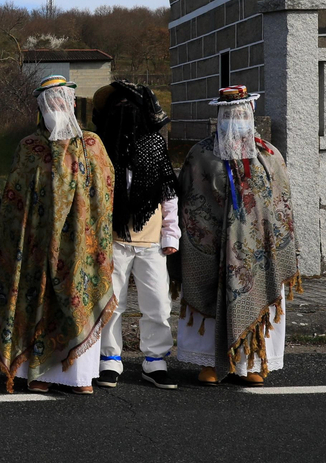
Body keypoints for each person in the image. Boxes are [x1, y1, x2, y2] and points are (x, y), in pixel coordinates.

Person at [0, 75, 115, 395]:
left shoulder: (91, 144)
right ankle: (36, 372)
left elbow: (105, 195)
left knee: (76, 300)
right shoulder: (30, 147)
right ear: (41, 107)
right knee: (36, 300)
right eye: (48, 102)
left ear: (70, 103)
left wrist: (91, 231)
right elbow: (15, 197)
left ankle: (78, 375)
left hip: (80, 243)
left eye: (60, 100)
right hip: (37, 244)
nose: (55, 107)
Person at [176, 86, 299, 386]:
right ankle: (211, 363)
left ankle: (253, 361)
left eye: (242, 114)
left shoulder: (269, 155)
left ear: (252, 116)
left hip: (257, 252)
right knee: (208, 296)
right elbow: (188, 201)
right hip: (211, 249)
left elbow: (281, 203)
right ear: (218, 116)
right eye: (229, 115)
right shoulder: (200, 155)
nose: (236, 120)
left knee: (257, 298)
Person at [93, 80, 179, 389]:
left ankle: (155, 360)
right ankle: (109, 359)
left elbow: (169, 193)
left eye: (130, 107)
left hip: (151, 238)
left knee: (157, 302)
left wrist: (172, 235)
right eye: (118, 107)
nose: (124, 113)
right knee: (111, 302)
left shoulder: (154, 144)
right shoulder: (100, 147)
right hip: (112, 238)